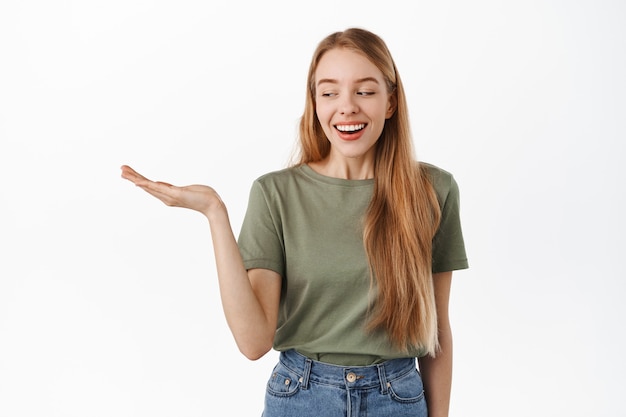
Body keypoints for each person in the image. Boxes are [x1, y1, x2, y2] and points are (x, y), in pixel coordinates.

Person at [121, 27, 468, 417]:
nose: (347, 106)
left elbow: (437, 334)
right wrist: (214, 213)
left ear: (390, 102)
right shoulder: (276, 195)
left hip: (399, 398)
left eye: (365, 91)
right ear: (315, 103)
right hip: (302, 397)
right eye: (329, 92)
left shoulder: (433, 191)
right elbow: (253, 343)